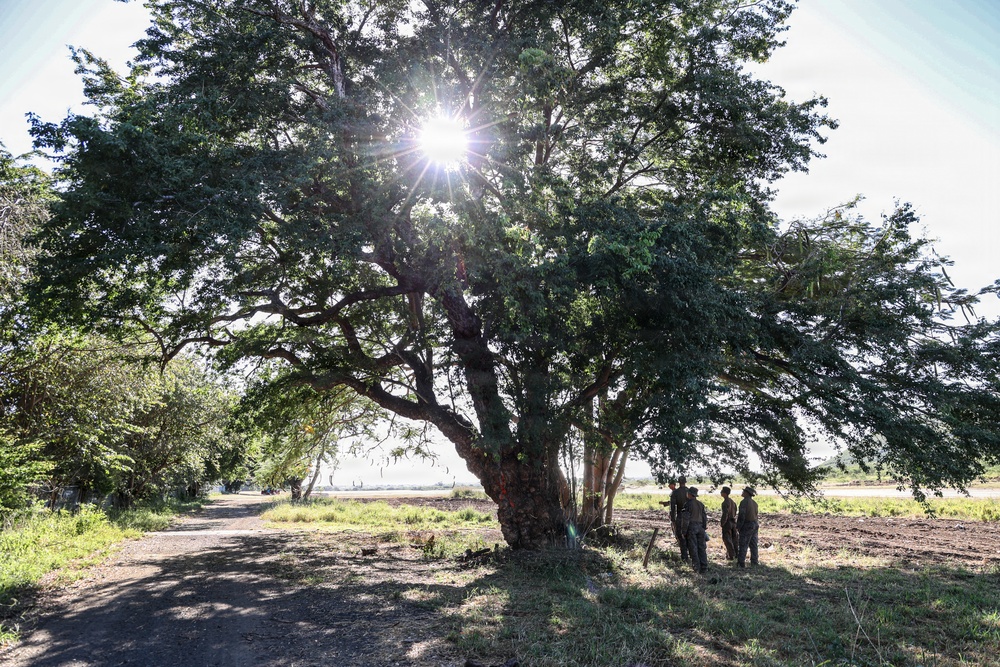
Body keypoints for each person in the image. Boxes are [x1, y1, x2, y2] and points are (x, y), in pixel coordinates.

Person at [680, 486, 708, 573]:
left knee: (693, 548)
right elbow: (704, 518)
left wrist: (683, 531)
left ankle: (696, 568)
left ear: (689, 494)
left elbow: (685, 519)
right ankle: (704, 567)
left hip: (692, 528)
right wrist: (703, 527)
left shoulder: (687, 504)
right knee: (701, 548)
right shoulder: (700, 504)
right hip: (700, 528)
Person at [736, 486, 759, 568]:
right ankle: (754, 561)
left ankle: (741, 563)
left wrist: (738, 526)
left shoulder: (744, 502)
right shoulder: (755, 503)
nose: (742, 492)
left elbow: (742, 516)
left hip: (747, 525)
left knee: (743, 544)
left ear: (747, 493)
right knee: (753, 544)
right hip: (755, 524)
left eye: (744, 491)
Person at [669, 476, 689, 561]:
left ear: (678, 482)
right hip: (689, 516)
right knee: (689, 535)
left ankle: (684, 556)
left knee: (680, 536)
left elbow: (672, 507)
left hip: (680, 515)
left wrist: (673, 519)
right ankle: (691, 554)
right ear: (685, 482)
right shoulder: (689, 491)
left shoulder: (675, 493)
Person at [719, 486, 738, 561]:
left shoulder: (725, 502)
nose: (721, 493)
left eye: (722, 491)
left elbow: (725, 514)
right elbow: (735, 511)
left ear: (725, 493)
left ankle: (731, 556)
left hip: (728, 523)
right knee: (734, 540)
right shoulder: (733, 502)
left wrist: (722, 523)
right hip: (733, 522)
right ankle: (736, 554)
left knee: (727, 540)